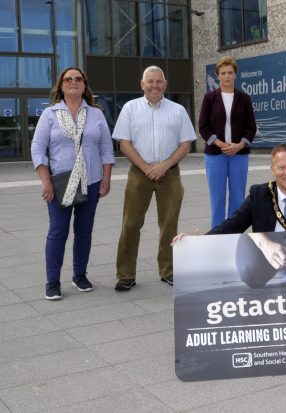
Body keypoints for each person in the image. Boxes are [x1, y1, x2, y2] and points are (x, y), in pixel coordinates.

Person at [173, 144, 286, 289]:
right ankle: (284, 267)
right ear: (272, 169)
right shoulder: (259, 194)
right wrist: (195, 242)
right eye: (281, 167)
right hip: (265, 251)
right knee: (249, 275)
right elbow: (231, 226)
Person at [31, 67, 114, 300]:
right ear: (61, 85)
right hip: (60, 183)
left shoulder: (96, 114)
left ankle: (79, 275)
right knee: (58, 231)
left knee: (84, 232)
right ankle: (52, 281)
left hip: (91, 181)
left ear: (85, 85)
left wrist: (106, 177)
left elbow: (106, 149)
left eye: (78, 79)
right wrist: (46, 182)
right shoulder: (50, 114)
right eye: (69, 79)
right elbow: (37, 149)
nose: (73, 82)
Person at [111, 65, 196, 291]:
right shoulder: (129, 108)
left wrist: (164, 166)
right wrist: (146, 167)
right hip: (139, 175)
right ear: (142, 84)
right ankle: (125, 275)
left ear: (165, 84)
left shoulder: (178, 110)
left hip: (170, 175)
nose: (155, 86)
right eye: (150, 81)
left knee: (169, 225)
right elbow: (124, 143)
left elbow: (186, 143)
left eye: (159, 81)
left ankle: (168, 271)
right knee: (130, 224)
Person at [198, 56, 257, 227]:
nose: (227, 76)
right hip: (215, 154)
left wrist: (239, 145)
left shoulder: (244, 98)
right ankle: (217, 235)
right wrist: (220, 144)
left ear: (235, 75)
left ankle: (234, 233)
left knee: (238, 198)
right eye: (223, 73)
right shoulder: (209, 97)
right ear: (217, 76)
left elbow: (251, 127)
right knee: (217, 199)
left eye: (230, 72)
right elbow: (203, 126)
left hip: (239, 154)